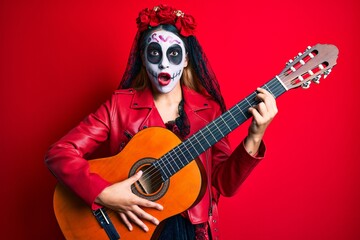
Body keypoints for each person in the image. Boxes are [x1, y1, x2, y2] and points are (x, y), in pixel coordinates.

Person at [45, 4, 278, 240]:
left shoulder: (209, 111)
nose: (164, 63)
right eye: (155, 53)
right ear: (143, 60)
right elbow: (59, 153)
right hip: (134, 229)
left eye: (174, 54)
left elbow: (224, 185)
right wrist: (103, 193)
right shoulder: (119, 106)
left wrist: (254, 137)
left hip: (193, 231)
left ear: (186, 59)